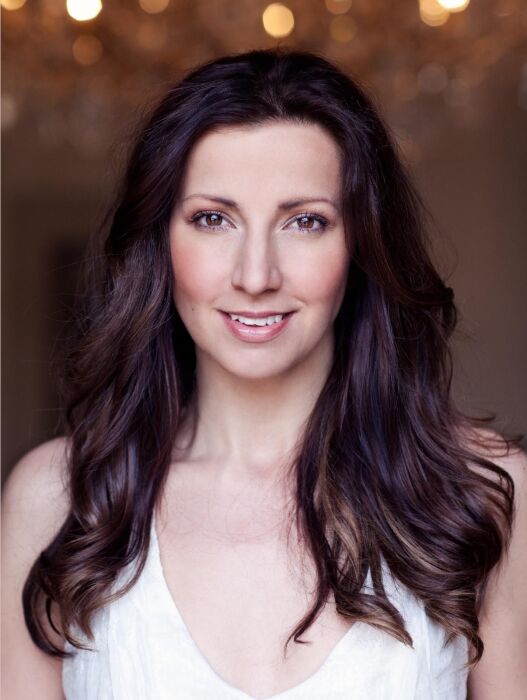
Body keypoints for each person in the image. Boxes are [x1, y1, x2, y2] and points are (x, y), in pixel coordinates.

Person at [1, 48, 526, 700]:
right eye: (212, 219)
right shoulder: (58, 498)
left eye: (304, 222)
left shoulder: (479, 491)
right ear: (161, 242)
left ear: (360, 244)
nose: (256, 275)